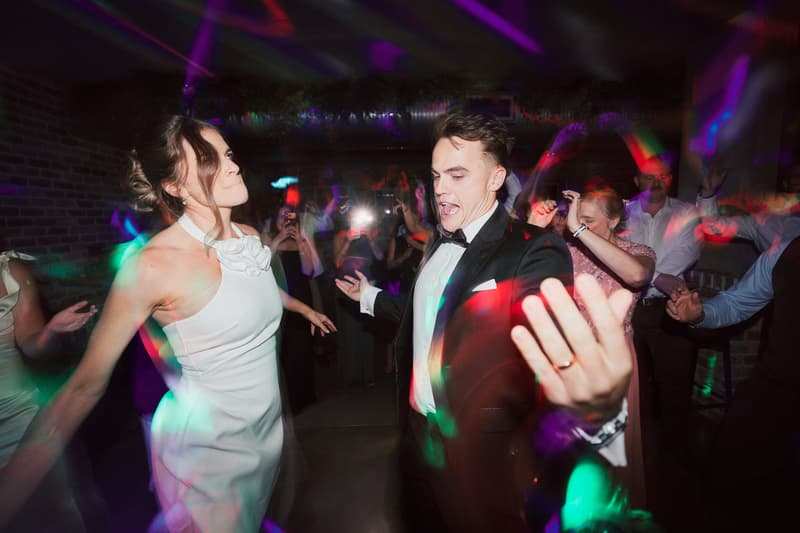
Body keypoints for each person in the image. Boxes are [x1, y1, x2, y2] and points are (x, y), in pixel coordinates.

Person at [0, 115, 335, 532]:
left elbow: (252, 321)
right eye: (209, 159)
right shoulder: (153, 266)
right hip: (208, 452)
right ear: (174, 187)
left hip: (262, 441)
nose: (231, 165)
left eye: (227, 154)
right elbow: (83, 386)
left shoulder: (249, 240)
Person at [336, 111, 631, 533]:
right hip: (419, 434)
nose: (440, 188)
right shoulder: (438, 243)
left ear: (496, 178)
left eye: (457, 175)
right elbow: (437, 319)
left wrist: (580, 381)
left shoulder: (533, 248)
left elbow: (541, 334)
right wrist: (369, 297)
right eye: (436, 176)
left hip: (485, 447)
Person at [527, 186, 655, 509]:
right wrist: (531, 229)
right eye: (575, 219)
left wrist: (578, 230)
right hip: (571, 360)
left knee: (609, 451)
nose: (576, 225)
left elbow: (638, 275)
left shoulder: (639, 252)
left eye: (587, 219)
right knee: (568, 452)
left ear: (613, 220)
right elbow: (523, 275)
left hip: (614, 362)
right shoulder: (569, 253)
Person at [665, 234, 800, 532]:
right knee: (728, 481)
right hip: (775, 388)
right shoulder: (785, 250)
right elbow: (738, 302)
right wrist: (700, 314)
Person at [624, 154, 723, 483]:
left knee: (674, 385)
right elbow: (616, 256)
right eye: (646, 177)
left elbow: (686, 255)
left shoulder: (686, 213)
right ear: (636, 179)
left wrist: (645, 275)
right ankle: (633, 458)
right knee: (632, 387)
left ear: (668, 179)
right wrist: (649, 275)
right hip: (627, 309)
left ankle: (677, 466)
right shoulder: (622, 213)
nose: (653, 184)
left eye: (660, 177)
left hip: (669, 308)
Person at [0, 250, 97, 532]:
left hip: (19, 416)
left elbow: (31, 343)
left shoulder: (11, 270)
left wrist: (52, 330)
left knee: (42, 513)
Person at [265, 205, 324, 414]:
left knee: (301, 349)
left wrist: (300, 241)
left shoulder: (301, 240)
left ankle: (303, 397)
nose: (286, 219)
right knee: (284, 349)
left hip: (300, 297)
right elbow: (261, 264)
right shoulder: (266, 239)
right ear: (275, 220)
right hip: (276, 298)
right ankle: (283, 398)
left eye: (289, 215)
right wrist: (279, 238)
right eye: (282, 215)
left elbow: (308, 270)